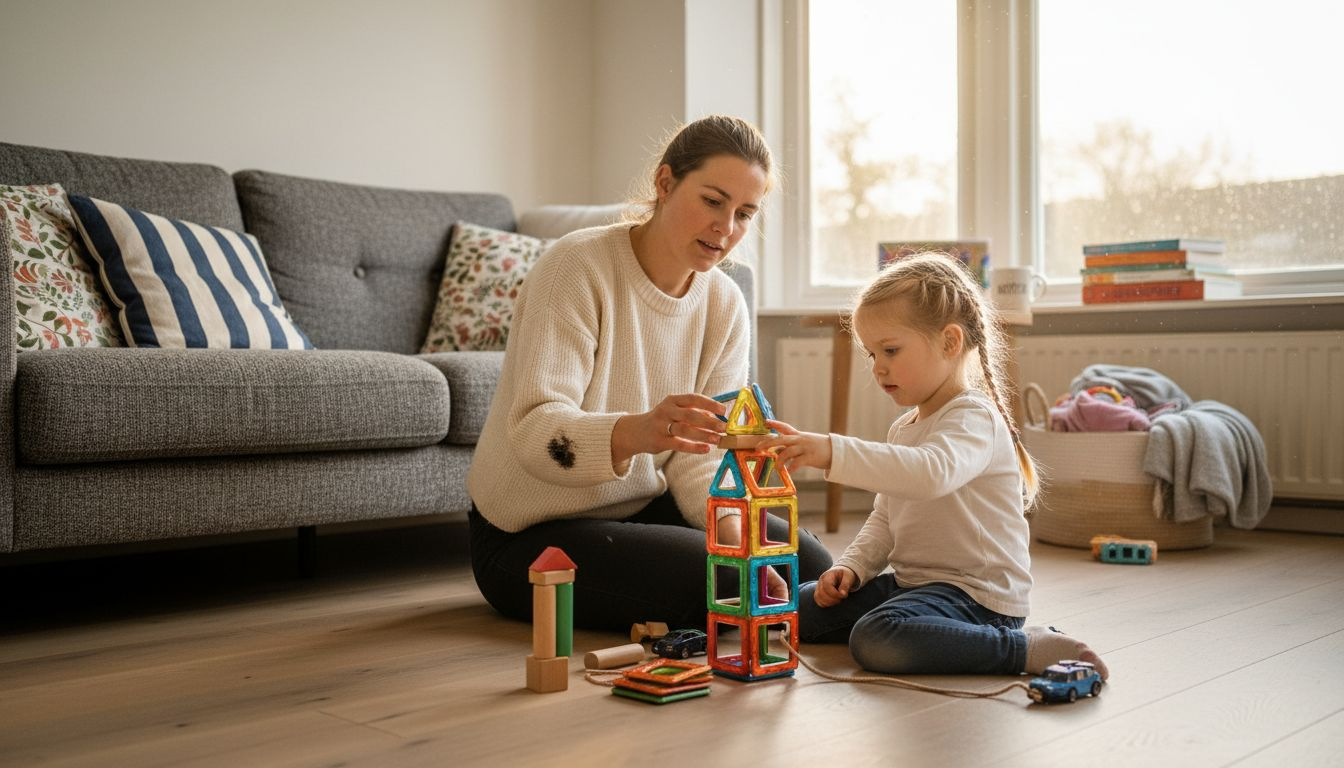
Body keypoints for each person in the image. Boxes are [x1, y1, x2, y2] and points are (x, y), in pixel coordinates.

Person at [466, 115, 833, 632]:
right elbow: (534, 432)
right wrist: (638, 431)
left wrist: (731, 528)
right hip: (529, 531)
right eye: (712, 201)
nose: (726, 229)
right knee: (730, 583)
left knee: (810, 569)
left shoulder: (724, 302)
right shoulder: (576, 267)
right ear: (665, 184)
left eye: (744, 213)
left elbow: (702, 459)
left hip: (636, 509)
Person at [757, 252, 1108, 679]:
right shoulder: (905, 428)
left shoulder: (974, 418)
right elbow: (885, 518)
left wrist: (832, 452)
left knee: (877, 637)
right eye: (871, 354)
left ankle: (1021, 648)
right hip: (917, 586)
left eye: (890, 350)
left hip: (978, 598)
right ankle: (920, 623)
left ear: (949, 342)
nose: (878, 367)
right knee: (802, 608)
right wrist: (852, 567)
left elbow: (930, 473)